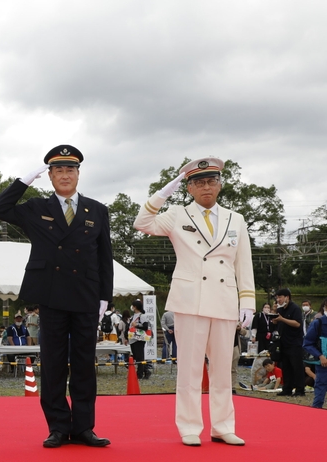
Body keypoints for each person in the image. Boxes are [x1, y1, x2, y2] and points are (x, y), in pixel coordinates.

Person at [0, 145, 114, 448]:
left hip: (85, 295)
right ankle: (58, 426)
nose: (64, 175)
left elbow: (104, 257)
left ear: (78, 174)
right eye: (58, 170)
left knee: (84, 364)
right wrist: (22, 182)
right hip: (50, 294)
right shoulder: (36, 207)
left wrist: (104, 297)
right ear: (49, 175)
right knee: (55, 363)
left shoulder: (96, 209)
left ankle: (84, 427)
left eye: (70, 169)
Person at [134, 157, 255, 446]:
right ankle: (189, 425)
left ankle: (223, 425)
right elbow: (142, 222)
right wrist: (163, 193)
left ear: (220, 184)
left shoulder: (235, 218)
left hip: (225, 298)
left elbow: (243, 262)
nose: (206, 187)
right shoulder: (177, 214)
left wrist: (247, 300)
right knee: (189, 367)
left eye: (211, 181)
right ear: (188, 188)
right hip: (191, 299)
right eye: (199, 182)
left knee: (223, 368)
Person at [272, 288, 305, 398]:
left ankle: (300, 390)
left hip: (294, 343)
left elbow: (297, 324)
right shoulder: (281, 309)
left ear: (287, 297)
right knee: (285, 367)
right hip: (283, 342)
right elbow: (276, 321)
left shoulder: (295, 308)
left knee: (297, 367)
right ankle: (287, 388)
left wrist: (282, 319)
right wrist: (274, 315)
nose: (279, 299)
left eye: (280, 297)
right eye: (277, 297)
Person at [304, 299, 327, 408]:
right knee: (320, 390)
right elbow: (307, 343)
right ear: (325, 308)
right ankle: (315, 415)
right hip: (323, 363)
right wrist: (320, 356)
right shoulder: (318, 323)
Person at [128, 300, 152, 379]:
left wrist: (137, 325)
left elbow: (145, 326)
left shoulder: (142, 316)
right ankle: (146, 370)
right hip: (132, 338)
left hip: (139, 339)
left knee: (140, 356)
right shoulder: (133, 316)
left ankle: (140, 374)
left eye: (132, 306)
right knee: (136, 356)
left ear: (135, 307)